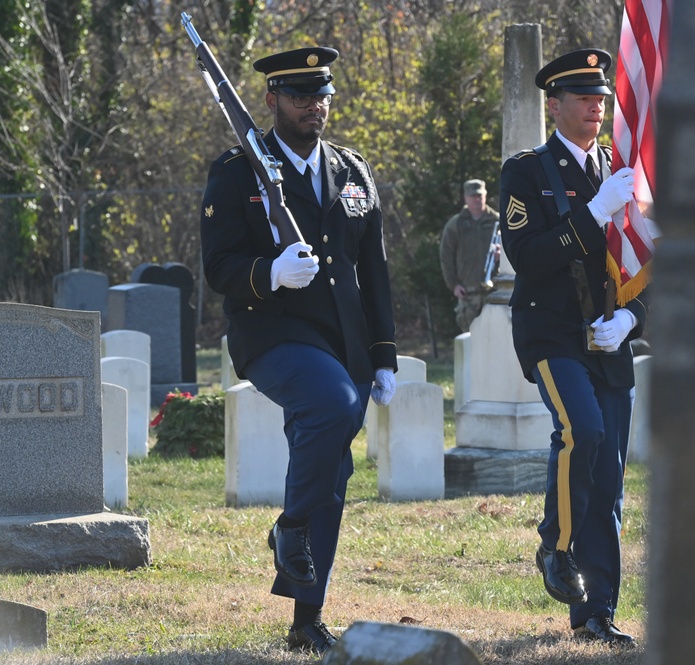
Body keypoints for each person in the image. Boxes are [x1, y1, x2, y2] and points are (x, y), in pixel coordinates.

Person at [199, 46, 397, 655]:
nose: (316, 107)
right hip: (274, 334)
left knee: (331, 473)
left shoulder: (352, 170)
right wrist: (270, 271)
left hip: (345, 341)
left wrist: (384, 353)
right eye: (301, 96)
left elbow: (375, 269)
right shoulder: (237, 171)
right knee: (332, 406)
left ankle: (305, 619)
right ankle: (288, 529)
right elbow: (219, 266)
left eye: (323, 95)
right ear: (272, 100)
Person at [498, 48, 648, 647]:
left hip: (609, 339)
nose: (596, 105)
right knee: (581, 432)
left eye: (601, 96)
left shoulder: (622, 169)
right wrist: (594, 212)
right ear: (553, 105)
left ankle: (596, 614)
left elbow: (654, 266)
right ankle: (556, 549)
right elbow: (529, 258)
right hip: (552, 333)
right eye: (582, 97)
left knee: (607, 476)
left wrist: (633, 318)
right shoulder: (526, 172)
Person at [438, 178, 501, 332]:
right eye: (473, 196)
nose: (477, 200)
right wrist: (453, 285)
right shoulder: (456, 224)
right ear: (466, 198)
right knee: (470, 343)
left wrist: (502, 257)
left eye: (480, 196)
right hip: (468, 295)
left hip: (494, 294)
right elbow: (446, 256)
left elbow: (515, 250)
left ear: (485, 196)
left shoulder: (498, 221)